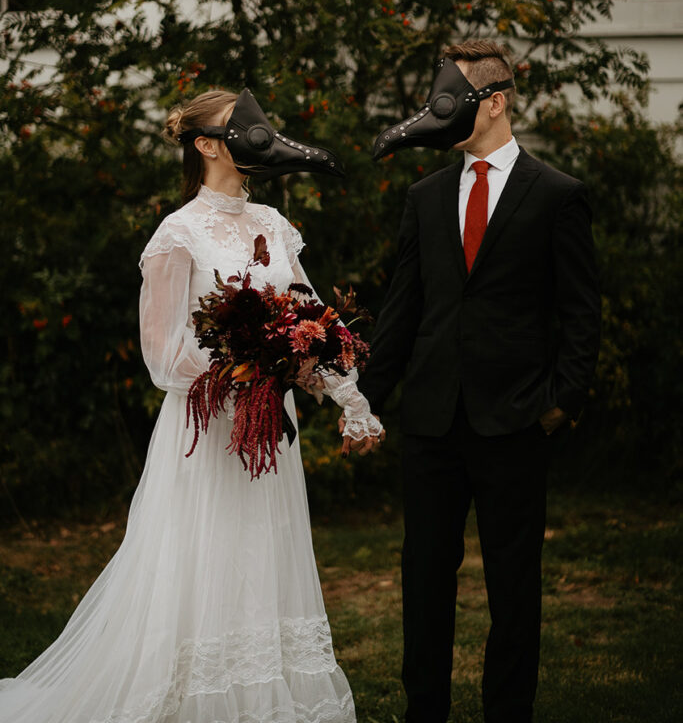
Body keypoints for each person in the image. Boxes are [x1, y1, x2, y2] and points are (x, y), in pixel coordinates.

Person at [0, 88, 383, 723]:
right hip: (208, 428)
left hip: (270, 429)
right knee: (207, 556)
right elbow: (161, 354)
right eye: (240, 126)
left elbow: (312, 326)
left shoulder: (275, 226)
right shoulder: (176, 234)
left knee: (264, 554)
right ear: (206, 144)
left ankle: (267, 694)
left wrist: (349, 399)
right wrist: (248, 366)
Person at [357, 40, 601, 723]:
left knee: (513, 591)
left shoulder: (556, 195)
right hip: (431, 424)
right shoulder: (425, 196)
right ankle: (423, 713)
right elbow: (404, 309)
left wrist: (556, 407)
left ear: (492, 101)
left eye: (451, 94)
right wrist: (363, 403)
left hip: (514, 423)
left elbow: (581, 318)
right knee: (423, 584)